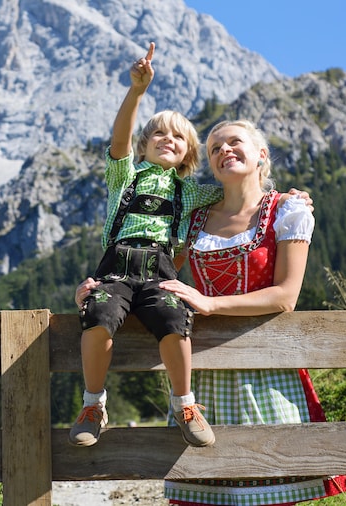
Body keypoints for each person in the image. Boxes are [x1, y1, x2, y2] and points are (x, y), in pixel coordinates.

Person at [156, 120, 346, 504]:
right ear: (210, 165)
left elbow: (285, 296)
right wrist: (104, 284)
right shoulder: (194, 219)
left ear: (261, 154)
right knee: (204, 491)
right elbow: (157, 271)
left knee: (272, 487)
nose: (224, 150)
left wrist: (209, 303)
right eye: (214, 148)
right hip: (208, 368)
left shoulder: (287, 209)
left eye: (234, 142)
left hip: (269, 364)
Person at [69, 42, 224, 448]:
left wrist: (284, 195)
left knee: (175, 315)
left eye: (177, 136)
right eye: (157, 132)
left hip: (160, 271)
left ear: (190, 152)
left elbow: (240, 195)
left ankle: (184, 403)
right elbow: (119, 140)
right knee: (98, 310)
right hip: (115, 269)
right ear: (144, 143)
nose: (166, 138)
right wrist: (136, 91)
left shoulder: (189, 192)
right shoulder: (125, 175)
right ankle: (93, 405)